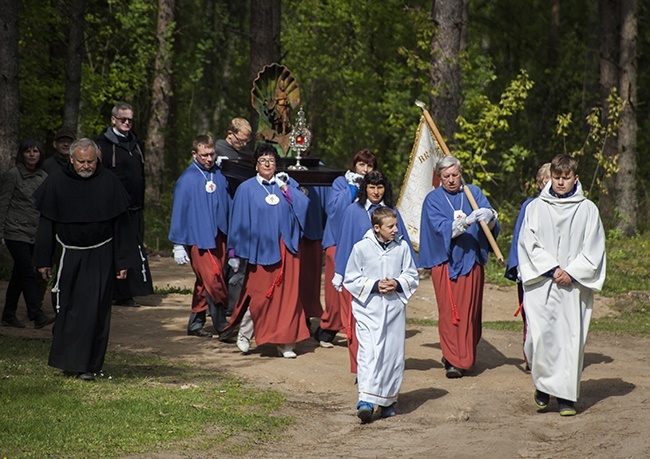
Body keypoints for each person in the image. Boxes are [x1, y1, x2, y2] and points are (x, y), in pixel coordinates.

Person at [33, 138, 140, 381]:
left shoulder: (109, 182)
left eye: (91, 161)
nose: (86, 166)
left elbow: (122, 226)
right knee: (67, 308)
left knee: (96, 310)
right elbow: (46, 225)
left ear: (97, 159)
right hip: (68, 253)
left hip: (101, 253)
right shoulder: (57, 182)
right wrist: (43, 259)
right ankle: (68, 360)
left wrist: (122, 262)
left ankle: (89, 365)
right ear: (71, 159)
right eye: (81, 161)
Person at [517, 154, 606, 416]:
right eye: (556, 177)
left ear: (575, 178)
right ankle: (543, 387)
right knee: (539, 337)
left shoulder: (588, 209)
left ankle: (566, 397)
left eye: (566, 178)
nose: (560, 182)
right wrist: (552, 269)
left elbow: (594, 248)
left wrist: (572, 272)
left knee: (569, 339)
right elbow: (528, 244)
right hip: (542, 282)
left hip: (573, 286)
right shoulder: (535, 207)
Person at [221, 143, 310, 358]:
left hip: (285, 247)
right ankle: (245, 332)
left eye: (271, 160)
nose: (268, 164)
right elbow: (238, 222)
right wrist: (234, 253)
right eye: (263, 160)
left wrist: (286, 189)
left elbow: (304, 205)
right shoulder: (246, 189)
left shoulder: (285, 183)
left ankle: (285, 342)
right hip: (260, 250)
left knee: (287, 297)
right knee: (260, 295)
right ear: (256, 165)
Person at [418, 156, 499, 379]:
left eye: (455, 175)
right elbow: (439, 229)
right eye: (446, 177)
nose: (451, 180)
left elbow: (491, 222)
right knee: (450, 312)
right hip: (445, 262)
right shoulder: (433, 199)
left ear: (460, 173)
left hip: (471, 259)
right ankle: (453, 359)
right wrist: (466, 221)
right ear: (439, 177)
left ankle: (466, 354)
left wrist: (490, 216)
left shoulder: (473, 193)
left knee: (470, 311)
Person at [334, 170, 415, 373]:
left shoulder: (390, 212)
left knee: (386, 330)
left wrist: (404, 275)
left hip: (388, 281)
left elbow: (402, 241)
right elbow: (345, 242)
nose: (376, 191)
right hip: (360, 280)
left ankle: (382, 369)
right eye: (372, 187)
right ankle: (360, 370)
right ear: (365, 188)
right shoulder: (354, 210)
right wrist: (339, 271)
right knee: (358, 326)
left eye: (380, 187)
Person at [344, 207, 419, 423]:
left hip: (394, 310)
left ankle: (387, 401)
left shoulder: (402, 247)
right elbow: (351, 278)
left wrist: (398, 283)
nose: (396, 229)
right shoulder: (361, 248)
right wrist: (375, 285)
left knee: (391, 356)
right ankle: (365, 401)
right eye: (391, 226)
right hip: (368, 309)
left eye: (395, 225)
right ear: (377, 228)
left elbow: (411, 274)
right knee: (369, 353)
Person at [168, 135, 233, 338]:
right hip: (198, 238)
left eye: (212, 154)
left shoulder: (221, 174)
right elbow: (179, 211)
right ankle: (222, 324)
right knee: (214, 278)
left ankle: (195, 323)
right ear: (194, 154)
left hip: (220, 235)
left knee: (205, 280)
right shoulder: (186, 180)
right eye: (204, 155)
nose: (209, 159)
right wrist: (178, 243)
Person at [314, 149, 377, 348]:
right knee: (336, 290)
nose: (365, 170)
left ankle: (356, 329)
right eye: (361, 165)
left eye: (369, 166)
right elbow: (333, 209)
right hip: (337, 241)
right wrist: (351, 188)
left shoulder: (374, 186)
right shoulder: (341, 182)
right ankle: (328, 328)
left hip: (362, 244)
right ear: (354, 165)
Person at [96, 101, 153, 306]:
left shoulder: (136, 144)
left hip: (135, 207)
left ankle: (126, 293)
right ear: (113, 120)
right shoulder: (102, 145)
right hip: (113, 208)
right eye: (123, 119)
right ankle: (109, 292)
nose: (127, 123)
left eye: (130, 119)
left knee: (131, 250)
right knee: (114, 251)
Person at [0, 140, 54, 329]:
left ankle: (8, 314)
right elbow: (3, 203)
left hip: (34, 232)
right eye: (28, 151)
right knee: (28, 272)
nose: (32, 155)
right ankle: (36, 314)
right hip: (14, 231)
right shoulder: (13, 175)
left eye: (36, 151)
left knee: (18, 274)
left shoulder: (44, 177)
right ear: (21, 154)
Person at [504, 163, 551, 368]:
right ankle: (531, 356)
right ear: (539, 184)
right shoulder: (529, 206)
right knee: (530, 316)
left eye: (552, 180)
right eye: (544, 181)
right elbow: (519, 239)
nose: (548, 185)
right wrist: (518, 267)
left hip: (554, 274)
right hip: (530, 272)